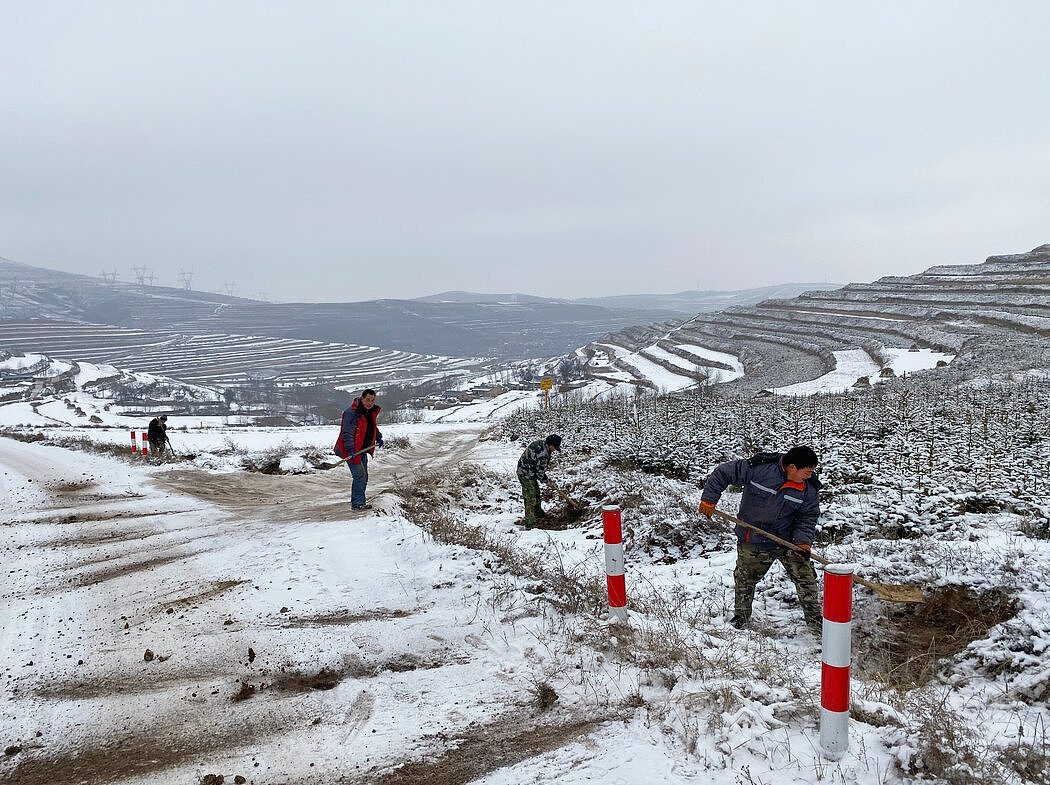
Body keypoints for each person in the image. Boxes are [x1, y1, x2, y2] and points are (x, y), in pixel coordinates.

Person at [698, 446, 822, 632]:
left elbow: (808, 517)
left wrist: (802, 542)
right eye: (807, 471)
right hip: (753, 537)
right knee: (745, 578)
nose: (810, 475)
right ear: (792, 467)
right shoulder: (760, 469)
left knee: (805, 577)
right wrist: (709, 499)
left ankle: (815, 621)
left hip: (787, 540)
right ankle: (741, 617)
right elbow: (723, 472)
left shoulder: (808, 488)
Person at [334, 389, 383, 511]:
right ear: (362, 398)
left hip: (362, 450)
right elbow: (347, 433)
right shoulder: (352, 413)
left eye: (372, 400)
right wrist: (350, 450)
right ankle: (357, 503)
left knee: (364, 476)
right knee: (360, 476)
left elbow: (371, 426)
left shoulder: (369, 411)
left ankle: (360, 500)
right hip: (351, 451)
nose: (370, 403)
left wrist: (378, 437)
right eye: (367, 400)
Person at [516, 434, 561, 528]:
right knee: (530, 497)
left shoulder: (542, 444)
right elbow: (540, 473)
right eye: (554, 447)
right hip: (525, 473)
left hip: (529, 471)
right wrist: (548, 482)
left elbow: (538, 470)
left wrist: (546, 479)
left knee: (536, 492)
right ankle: (530, 523)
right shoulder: (543, 454)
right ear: (550, 444)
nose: (555, 450)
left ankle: (538, 514)